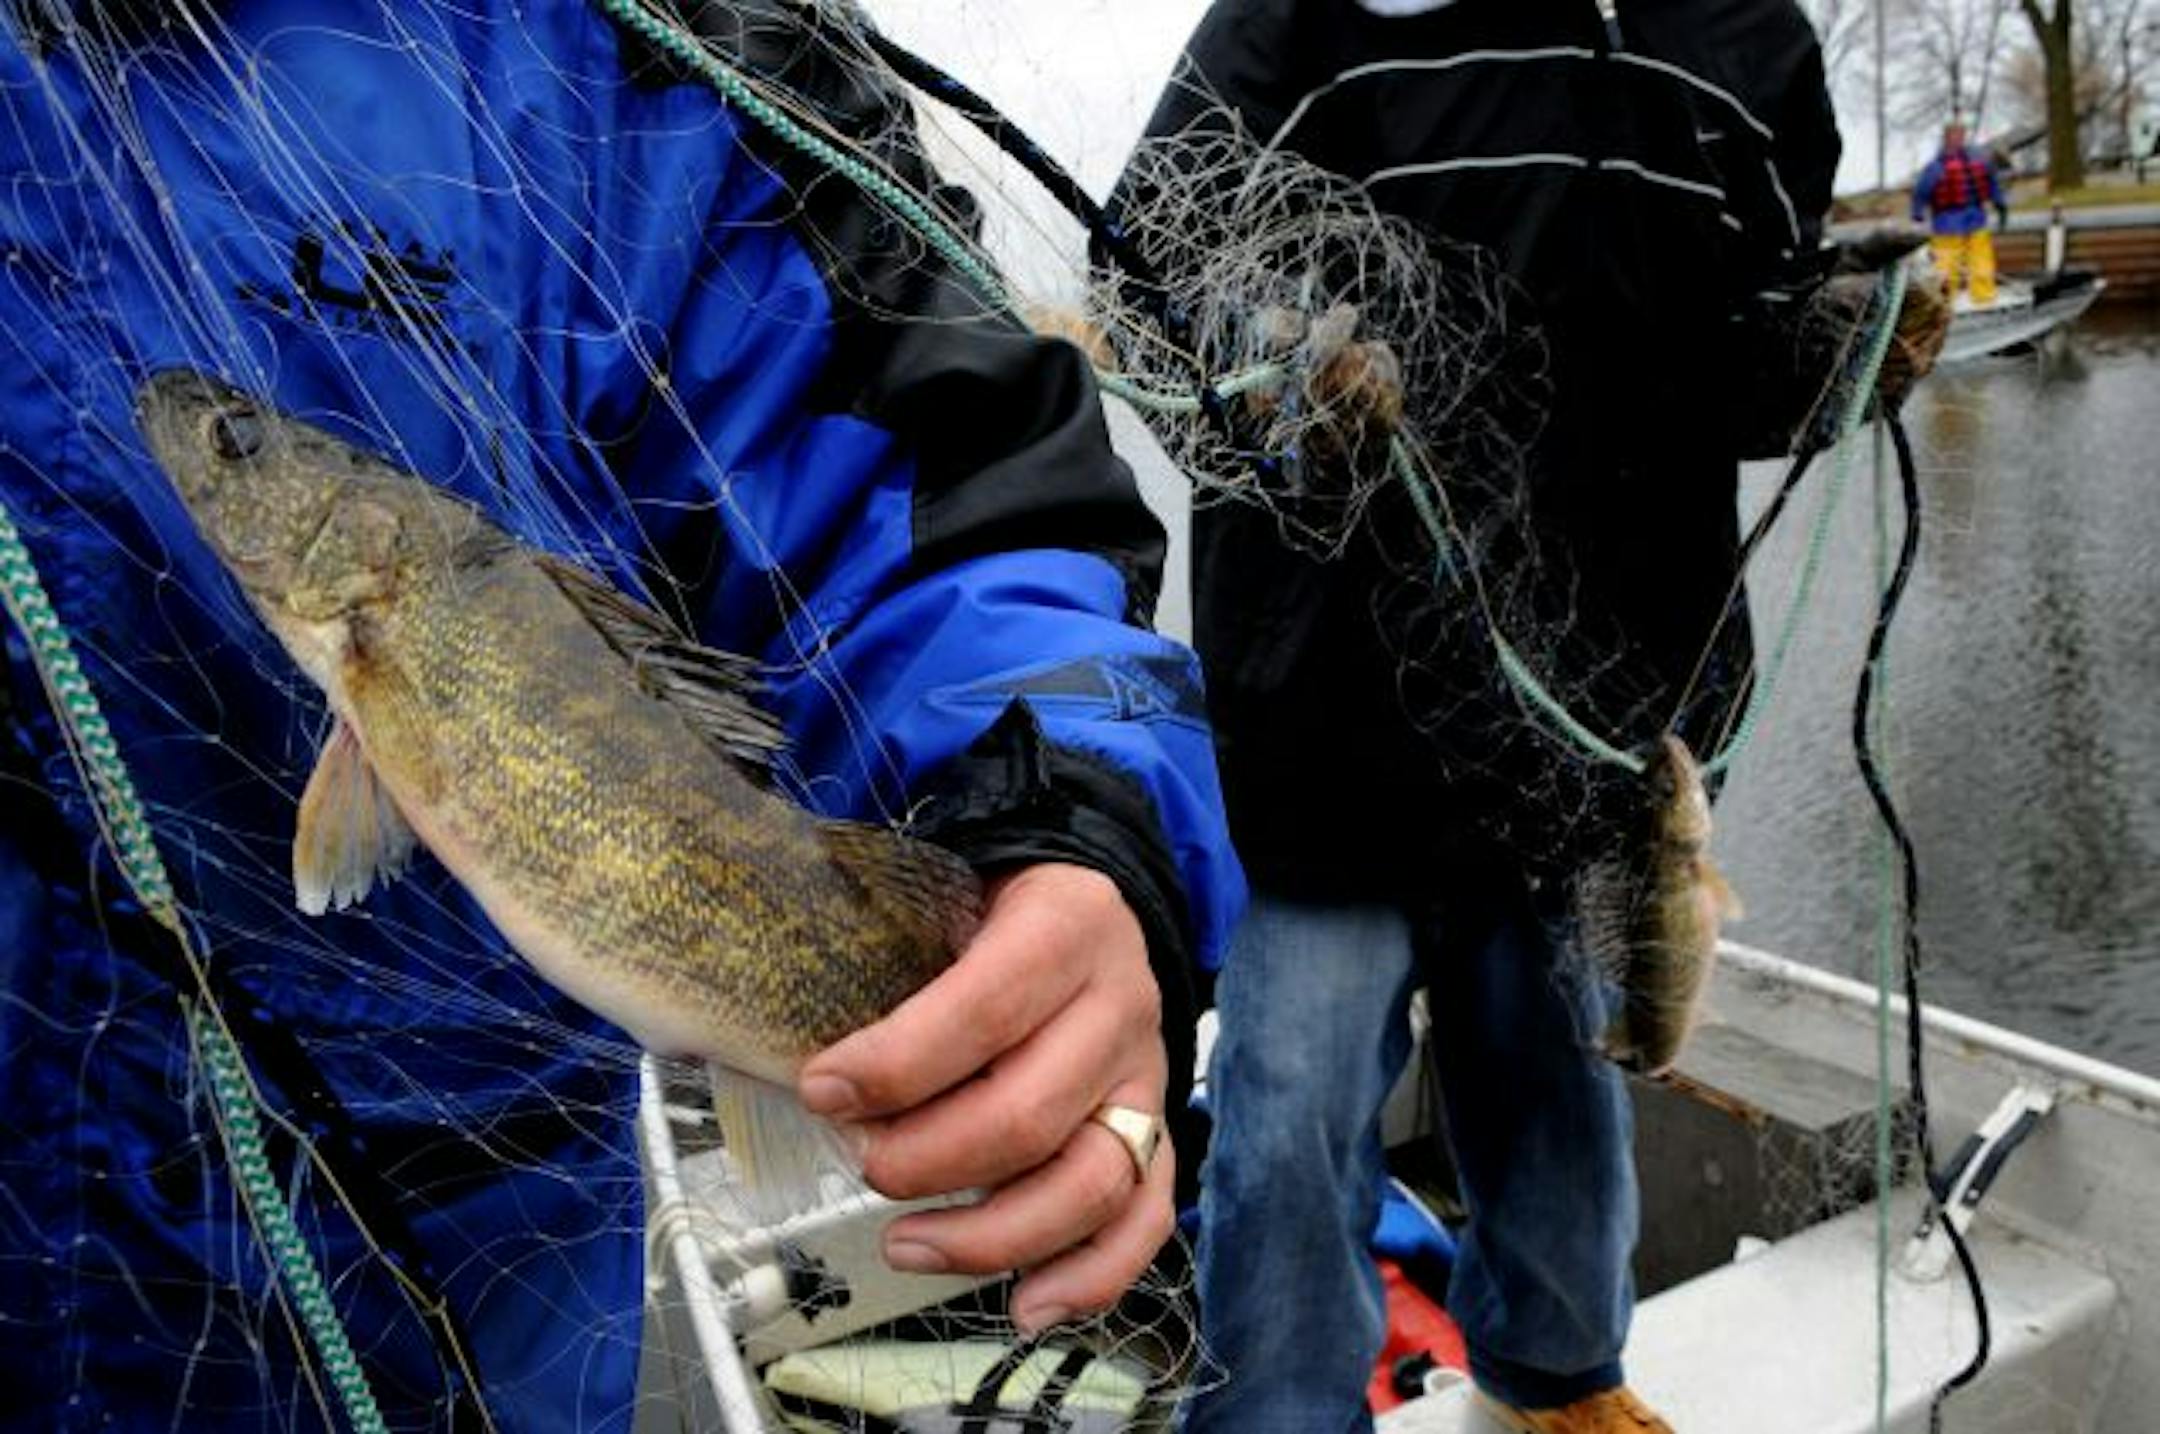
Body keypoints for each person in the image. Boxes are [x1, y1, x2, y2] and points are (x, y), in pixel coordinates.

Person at [0, 2, 1241, 1428]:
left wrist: (1074, 834)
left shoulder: (633, 43)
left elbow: (931, 488)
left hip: (471, 1279)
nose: (215, 444)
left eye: (243, 441)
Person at [1116, 3, 1846, 1432]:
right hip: (1328, 706)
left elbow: (1750, 339)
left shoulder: (1750, 35)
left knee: (1567, 1100)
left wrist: (1834, 348)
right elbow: (1159, 246)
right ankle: (1275, 1412)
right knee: (1288, 1116)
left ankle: (1560, 1376)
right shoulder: (1298, 11)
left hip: (1598, 724)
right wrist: (1279, 366)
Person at [1912, 120, 2010, 304]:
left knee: (1981, 263)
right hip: (1946, 222)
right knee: (1946, 267)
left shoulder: (1978, 161)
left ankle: (1984, 298)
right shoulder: (1936, 167)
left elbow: (1992, 185)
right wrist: (1917, 214)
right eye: (1954, 134)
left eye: (1961, 134)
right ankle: (1944, 303)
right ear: (1946, 137)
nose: (1958, 138)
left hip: (1975, 218)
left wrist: (2001, 206)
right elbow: (1921, 192)